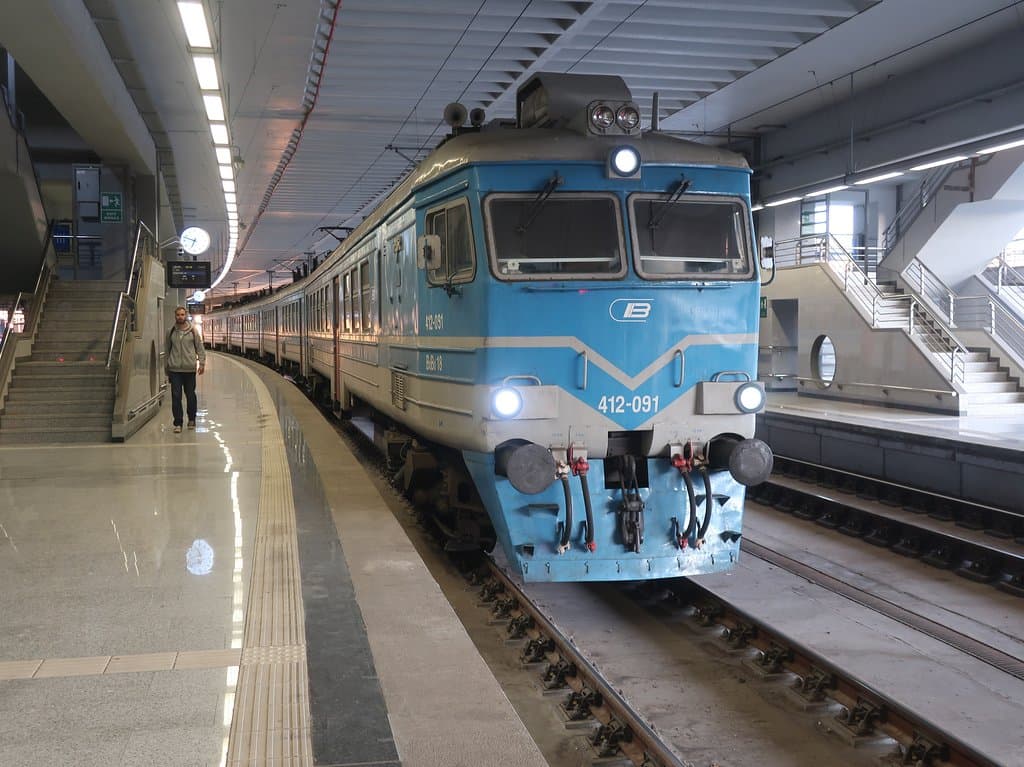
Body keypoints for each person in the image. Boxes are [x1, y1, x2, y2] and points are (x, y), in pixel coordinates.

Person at [166, 305, 206, 433]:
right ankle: (178, 423)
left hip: (189, 369)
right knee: (176, 396)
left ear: (186, 315)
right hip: (175, 369)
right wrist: (166, 366)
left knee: (190, 395)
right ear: (175, 316)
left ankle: (192, 419)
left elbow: (199, 347)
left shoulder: (193, 331)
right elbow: (167, 349)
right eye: (178, 315)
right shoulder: (171, 331)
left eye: (182, 314)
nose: (180, 317)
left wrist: (202, 363)